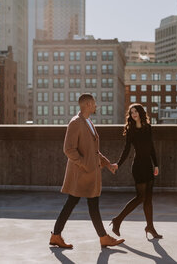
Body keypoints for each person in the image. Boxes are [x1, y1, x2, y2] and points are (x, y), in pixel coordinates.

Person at [49, 93, 125, 249]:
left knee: (84, 204)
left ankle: (57, 236)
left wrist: (107, 164)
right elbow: (69, 149)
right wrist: (86, 165)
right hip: (81, 174)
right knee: (79, 204)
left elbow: (94, 151)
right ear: (88, 104)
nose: (96, 106)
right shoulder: (76, 123)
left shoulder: (88, 122)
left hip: (89, 174)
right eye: (94, 103)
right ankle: (101, 238)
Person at [110, 103, 163, 239]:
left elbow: (151, 147)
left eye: (135, 111)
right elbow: (126, 149)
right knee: (141, 197)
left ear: (140, 112)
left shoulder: (148, 128)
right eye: (131, 112)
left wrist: (156, 164)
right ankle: (118, 220)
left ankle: (150, 226)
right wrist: (118, 164)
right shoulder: (131, 130)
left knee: (149, 199)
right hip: (138, 166)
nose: (133, 114)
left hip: (148, 165)